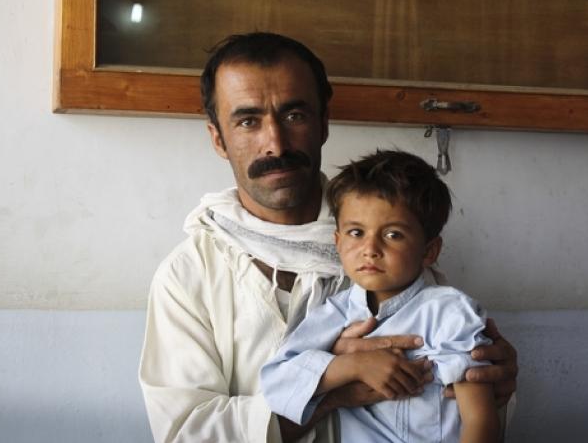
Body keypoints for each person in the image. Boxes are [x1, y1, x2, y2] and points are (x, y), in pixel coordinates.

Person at [138, 32, 518, 443]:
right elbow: (185, 433)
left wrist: (495, 379)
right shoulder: (189, 275)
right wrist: (331, 390)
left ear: (323, 123)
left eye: (294, 116)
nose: (275, 144)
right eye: (248, 121)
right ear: (218, 138)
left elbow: (459, 404)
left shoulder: (389, 247)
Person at [261, 150, 499, 443]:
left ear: (429, 251)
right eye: (356, 232)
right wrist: (352, 366)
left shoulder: (449, 312)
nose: (370, 248)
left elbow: (481, 420)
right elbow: (277, 384)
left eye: (393, 234)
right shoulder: (333, 314)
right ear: (338, 242)